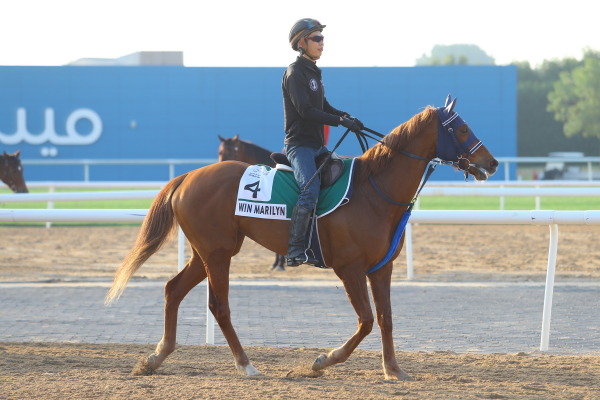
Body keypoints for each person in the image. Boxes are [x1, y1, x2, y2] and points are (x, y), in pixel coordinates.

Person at [282, 18, 364, 267]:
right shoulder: (295, 73)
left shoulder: (313, 72)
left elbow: (323, 107)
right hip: (299, 146)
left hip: (317, 146)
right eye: (316, 38)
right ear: (302, 43)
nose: (322, 42)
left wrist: (346, 116)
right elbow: (306, 111)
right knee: (310, 190)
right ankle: (295, 250)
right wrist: (340, 121)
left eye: (322, 37)